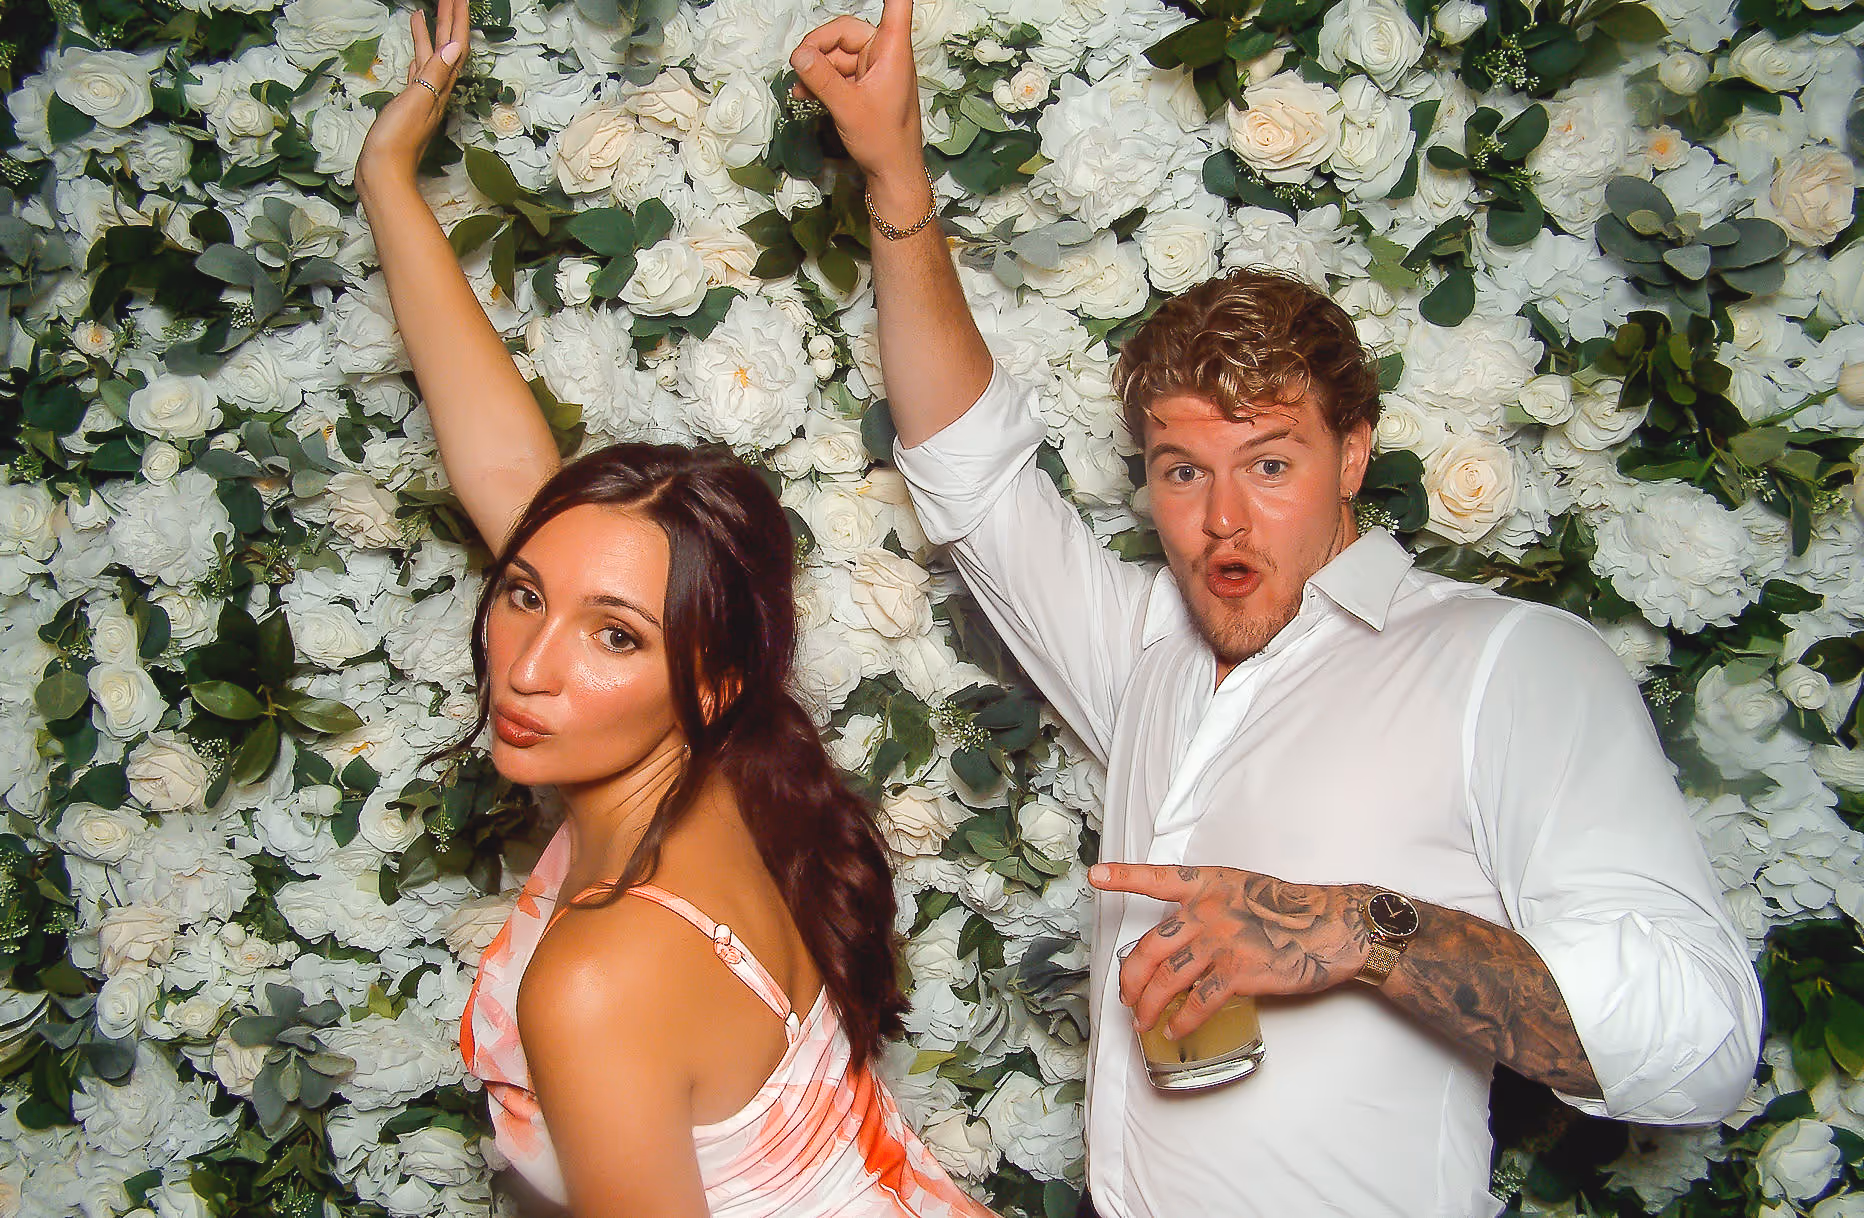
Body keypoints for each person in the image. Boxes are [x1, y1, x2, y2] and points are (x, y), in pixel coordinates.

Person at [788, 2, 1767, 1215]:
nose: (1222, 520)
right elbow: (970, 475)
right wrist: (894, 172)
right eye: (1181, 471)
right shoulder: (1146, 650)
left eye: (1268, 462)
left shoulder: (1505, 663)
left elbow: (1705, 1044)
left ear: (1351, 455)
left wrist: (1363, 931)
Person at [353, 4, 998, 1215]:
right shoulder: (731, 777)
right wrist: (387, 176)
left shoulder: (602, 973)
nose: (528, 667)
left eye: (615, 637)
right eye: (523, 598)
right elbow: (511, 479)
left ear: (711, 673)